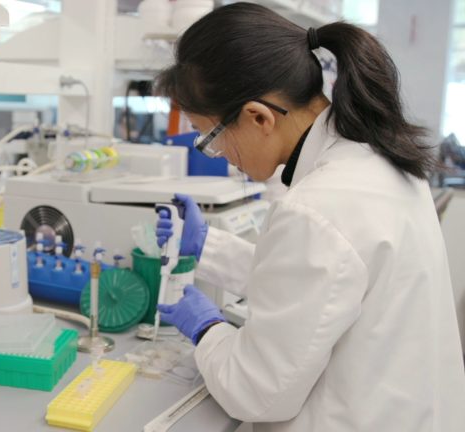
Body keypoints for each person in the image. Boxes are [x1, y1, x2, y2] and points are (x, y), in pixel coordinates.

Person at [153, 3, 465, 431]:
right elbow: (317, 288)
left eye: (210, 137)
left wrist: (206, 328)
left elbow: (256, 393)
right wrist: (211, 248)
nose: (219, 154)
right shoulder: (375, 163)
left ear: (258, 117)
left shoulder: (318, 206)